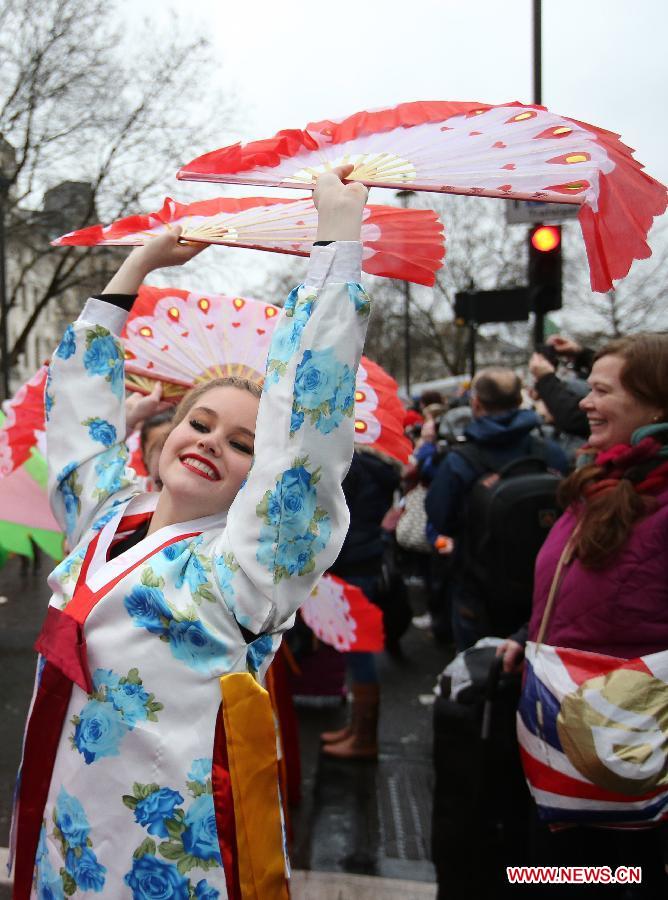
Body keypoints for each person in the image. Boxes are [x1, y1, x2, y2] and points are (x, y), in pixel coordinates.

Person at [10, 166, 370, 899]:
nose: (209, 442)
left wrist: (336, 248)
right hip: (62, 833)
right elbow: (78, 422)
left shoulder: (242, 571)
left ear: (257, 475)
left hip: (169, 862)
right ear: (168, 432)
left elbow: (302, 445)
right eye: (200, 423)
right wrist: (137, 263)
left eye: (241, 443)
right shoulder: (108, 515)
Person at [500, 333, 668, 896]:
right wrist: (527, 637)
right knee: (554, 874)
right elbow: (571, 592)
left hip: (636, 763)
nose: (584, 403)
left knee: (624, 879)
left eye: (600, 389)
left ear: (656, 403)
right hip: (566, 750)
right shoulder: (600, 480)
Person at [425, 367, 568, 650]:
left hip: (479, 585)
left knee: (477, 672)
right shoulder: (550, 452)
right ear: (520, 401)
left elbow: (440, 517)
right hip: (542, 584)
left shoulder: (460, 460)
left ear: (476, 403)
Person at [319, 446, 400, 760]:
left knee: (358, 649)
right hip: (362, 558)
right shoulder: (377, 465)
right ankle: (357, 729)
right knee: (355, 647)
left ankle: (364, 737)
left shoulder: (353, 466)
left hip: (351, 562)